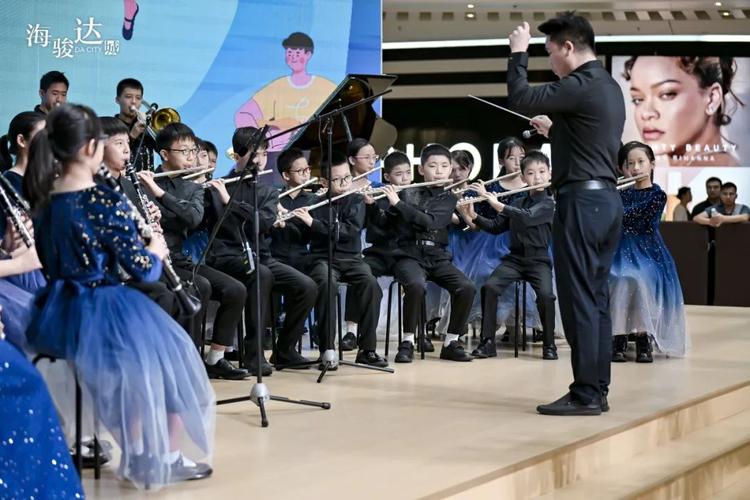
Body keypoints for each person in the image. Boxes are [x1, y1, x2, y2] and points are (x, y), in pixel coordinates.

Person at [22, 103, 214, 488]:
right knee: (167, 369)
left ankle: (136, 453)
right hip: (101, 304)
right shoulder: (102, 199)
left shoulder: (43, 199)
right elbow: (143, 269)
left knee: (120, 379)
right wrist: (154, 249)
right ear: (90, 148)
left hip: (58, 308)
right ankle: (163, 457)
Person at [507, 12, 625, 415]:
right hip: (605, 202)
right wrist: (555, 131)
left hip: (582, 204)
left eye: (549, 53)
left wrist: (517, 53)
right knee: (595, 300)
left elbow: (520, 97)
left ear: (569, 48)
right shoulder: (607, 86)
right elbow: (591, 140)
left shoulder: (580, 83)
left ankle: (586, 394)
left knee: (578, 302)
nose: (550, 61)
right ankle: (597, 388)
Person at [138, 122, 249, 380]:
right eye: (184, 151)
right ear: (164, 154)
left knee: (235, 289)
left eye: (193, 151)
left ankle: (215, 358)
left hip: (179, 259)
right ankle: (187, 359)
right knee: (199, 286)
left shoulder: (192, 187)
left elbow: (193, 217)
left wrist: (160, 195)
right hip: (154, 259)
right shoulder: (141, 181)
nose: (191, 157)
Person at [206, 127, 317, 372]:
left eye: (264, 154)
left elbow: (263, 223)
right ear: (237, 156)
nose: (260, 160)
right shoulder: (218, 187)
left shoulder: (266, 191)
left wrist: (230, 202)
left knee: (307, 287)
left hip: (261, 256)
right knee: (261, 274)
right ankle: (253, 355)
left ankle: (285, 350)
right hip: (226, 256)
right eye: (253, 154)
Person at [289, 152, 389, 368]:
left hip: (351, 259)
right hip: (321, 259)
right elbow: (303, 235)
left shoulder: (356, 199)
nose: (344, 184)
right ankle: (327, 350)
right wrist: (295, 221)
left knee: (371, 285)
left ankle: (367, 350)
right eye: (337, 180)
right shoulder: (314, 202)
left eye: (347, 178)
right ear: (324, 182)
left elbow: (350, 231)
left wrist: (313, 223)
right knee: (326, 284)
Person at [380, 144, 476, 363]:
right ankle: (408, 341)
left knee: (466, 287)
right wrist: (373, 204)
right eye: (433, 166)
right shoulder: (407, 191)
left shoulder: (449, 198)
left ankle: (451, 342)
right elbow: (384, 224)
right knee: (415, 285)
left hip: (436, 255)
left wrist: (400, 205)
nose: (440, 171)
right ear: (422, 169)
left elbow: (430, 222)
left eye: (444, 166)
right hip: (408, 254)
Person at [459, 151, 558, 360]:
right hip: (515, 259)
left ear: (549, 174)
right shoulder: (518, 202)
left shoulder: (548, 203)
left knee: (546, 296)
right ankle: (487, 342)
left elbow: (528, 218)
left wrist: (498, 204)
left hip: (538, 260)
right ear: (523, 177)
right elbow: (496, 227)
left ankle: (549, 344)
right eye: (530, 173)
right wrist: (473, 215)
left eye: (542, 172)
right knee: (489, 287)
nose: (537, 177)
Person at [610, 142, 689, 362]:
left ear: (652, 164)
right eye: (630, 163)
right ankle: (618, 337)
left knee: (641, 280)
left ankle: (644, 337)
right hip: (620, 249)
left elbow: (633, 215)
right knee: (618, 279)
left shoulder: (657, 195)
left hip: (648, 251)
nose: (636, 168)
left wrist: (612, 204)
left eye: (641, 162)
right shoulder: (621, 193)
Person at [623, 56, 744, 167]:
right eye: (638, 99)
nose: (646, 113)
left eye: (667, 94)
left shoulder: (704, 172)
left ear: (712, 98)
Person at [235, 32, 337, 151]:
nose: (293, 57)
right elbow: (242, 114)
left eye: (297, 53)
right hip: (280, 152)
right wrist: (275, 127)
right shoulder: (278, 86)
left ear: (308, 54)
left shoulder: (325, 86)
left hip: (316, 149)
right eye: (289, 53)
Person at [270, 147, 315, 271]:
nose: (306, 173)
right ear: (286, 175)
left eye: (307, 169)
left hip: (303, 256)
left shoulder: (313, 199)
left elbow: (310, 233)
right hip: (276, 256)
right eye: (300, 171)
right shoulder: (274, 199)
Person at [115, 78, 156, 172]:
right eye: (128, 97)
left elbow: (164, 151)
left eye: (138, 98)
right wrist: (132, 136)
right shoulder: (112, 127)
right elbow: (111, 155)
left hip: (148, 179)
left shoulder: (146, 125)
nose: (134, 101)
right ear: (118, 100)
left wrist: (152, 130)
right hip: (123, 179)